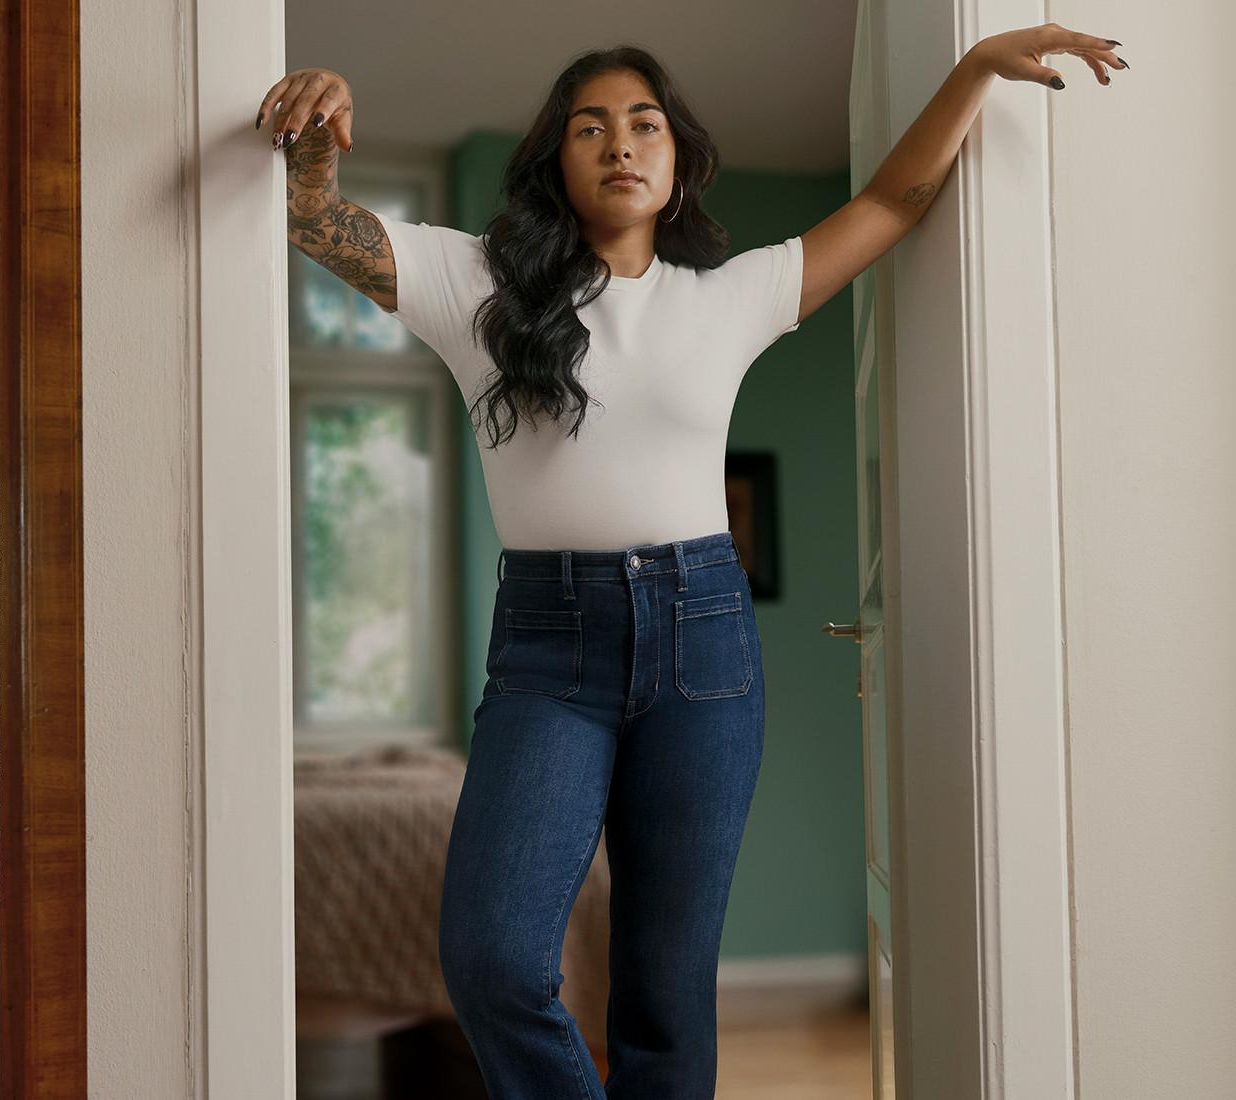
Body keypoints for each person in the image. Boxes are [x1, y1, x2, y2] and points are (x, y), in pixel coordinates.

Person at [261, 24, 1129, 1097]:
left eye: (644, 124)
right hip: (547, 652)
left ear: (676, 164)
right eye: (589, 127)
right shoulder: (473, 281)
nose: (619, 143)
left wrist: (974, 66)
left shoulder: (727, 298)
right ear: (555, 161)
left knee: (666, 997)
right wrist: (315, 128)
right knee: (491, 956)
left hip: (702, 646)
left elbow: (896, 203)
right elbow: (312, 219)